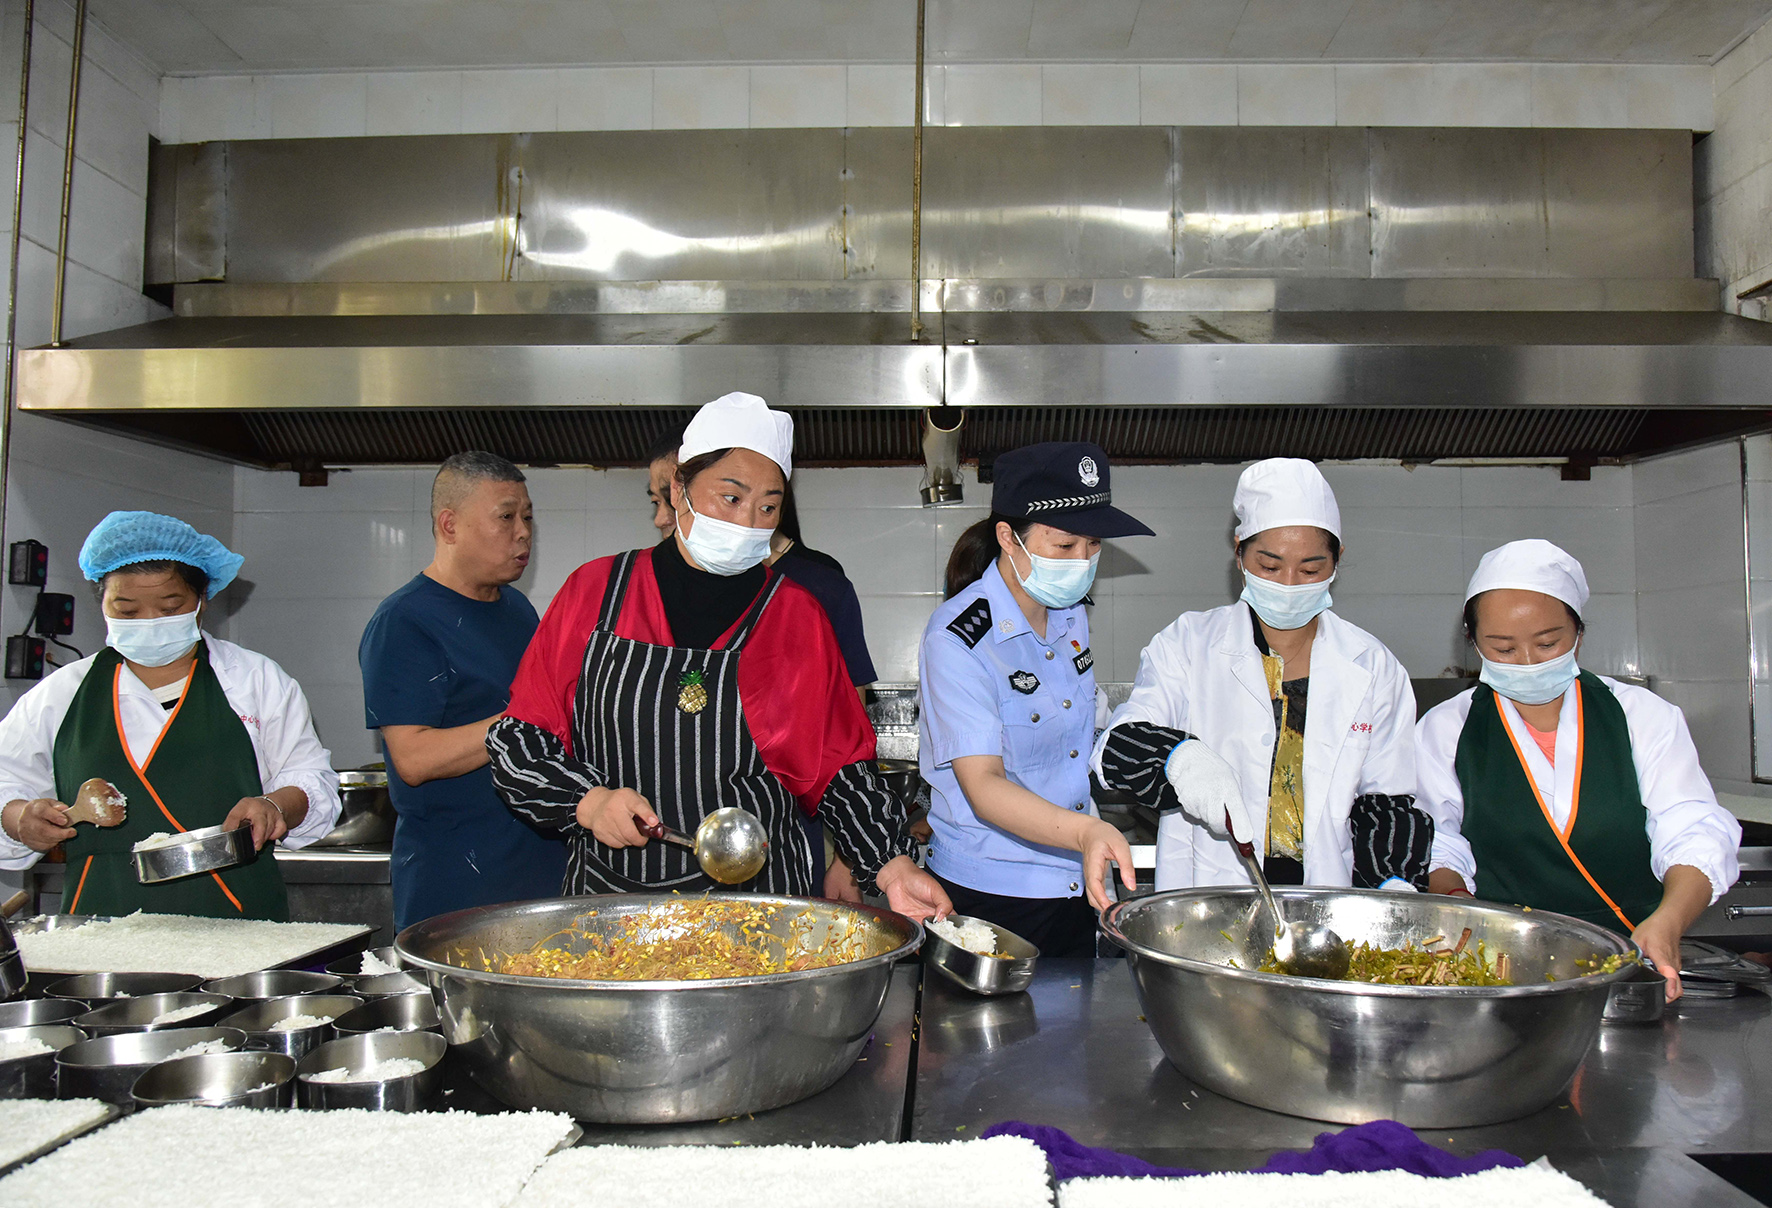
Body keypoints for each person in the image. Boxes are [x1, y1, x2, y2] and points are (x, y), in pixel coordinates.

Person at [489, 392, 949, 921]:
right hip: (613, 911)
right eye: (731, 498)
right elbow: (518, 744)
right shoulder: (596, 593)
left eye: (768, 507)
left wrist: (892, 866)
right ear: (679, 489)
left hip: (760, 910)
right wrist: (589, 803)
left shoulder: (794, 616)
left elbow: (839, 770)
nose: (749, 522)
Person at [1415, 539, 1740, 1000]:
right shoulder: (1447, 728)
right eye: (1502, 648)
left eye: (1548, 643)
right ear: (1473, 642)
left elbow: (1691, 828)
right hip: (1500, 966)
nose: (1528, 663)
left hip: (1632, 959)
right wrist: (1457, 906)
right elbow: (1437, 841)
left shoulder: (1640, 715)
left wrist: (1668, 921)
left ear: (1579, 634)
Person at [1093, 458, 1428, 893]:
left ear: (1337, 561)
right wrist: (1178, 757)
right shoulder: (1188, 645)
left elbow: (1387, 800)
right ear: (1239, 554)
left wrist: (1395, 884)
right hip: (1209, 892)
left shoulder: (1373, 666)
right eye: (1270, 566)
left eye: (1310, 569)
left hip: (1327, 897)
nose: (1289, 583)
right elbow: (1117, 747)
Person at [0, 512, 339, 917]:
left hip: (238, 915)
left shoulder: (254, 680)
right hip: (100, 921)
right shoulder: (61, 693)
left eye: (170, 607)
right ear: (103, 604)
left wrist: (276, 806)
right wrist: (20, 818)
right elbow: (6, 781)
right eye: (127, 611)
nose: (149, 623)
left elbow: (310, 778)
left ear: (202, 600)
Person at [918, 443, 1152, 955]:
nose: (1083, 561)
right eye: (1065, 545)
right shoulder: (958, 637)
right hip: (992, 893)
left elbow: (1076, 735)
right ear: (1008, 537)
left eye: (1093, 544)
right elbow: (983, 785)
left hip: (1075, 881)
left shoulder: (1070, 615)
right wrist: (1086, 832)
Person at [645, 418, 880, 902]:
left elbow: (843, 743)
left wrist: (849, 858)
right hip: (647, 863)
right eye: (656, 501)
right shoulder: (627, 593)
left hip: (776, 847)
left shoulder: (810, 594)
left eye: (763, 506)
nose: (663, 518)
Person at [359, 451, 567, 932]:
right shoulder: (404, 621)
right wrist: (525, 717)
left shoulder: (517, 610)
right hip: (459, 880)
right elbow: (414, 759)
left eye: (528, 517)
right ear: (449, 525)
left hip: (538, 866)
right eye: (506, 517)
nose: (523, 532)